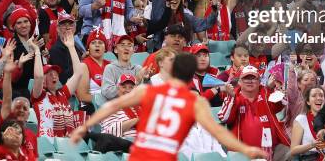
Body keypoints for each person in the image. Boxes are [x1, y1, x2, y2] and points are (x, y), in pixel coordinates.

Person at [69, 53, 268, 160]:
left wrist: (85, 127)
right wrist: (246, 149)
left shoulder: (150, 92)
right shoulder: (194, 102)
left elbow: (111, 106)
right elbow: (218, 131)